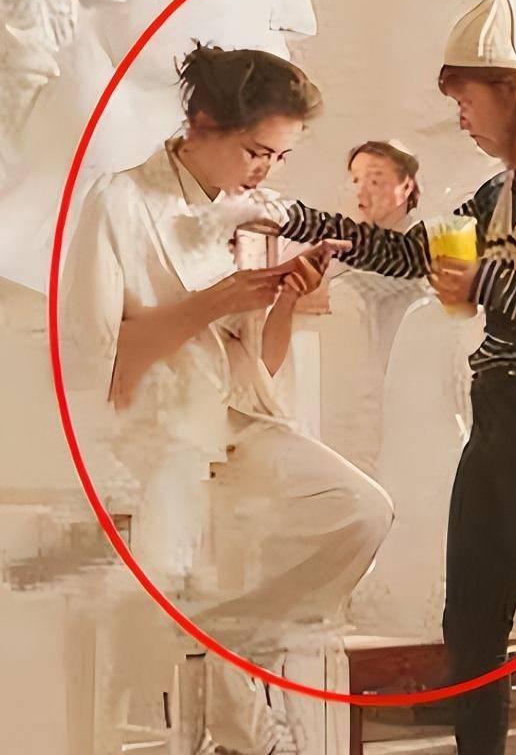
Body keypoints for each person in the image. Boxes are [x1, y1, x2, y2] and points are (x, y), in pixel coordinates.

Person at [251, 0, 516, 754]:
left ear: (515, 92)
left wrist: (488, 283)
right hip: (496, 429)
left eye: (468, 99)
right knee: (469, 630)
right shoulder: (501, 190)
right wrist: (295, 217)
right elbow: (411, 253)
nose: (460, 116)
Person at [60, 44, 394, 755]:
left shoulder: (247, 215)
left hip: (236, 423)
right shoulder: (119, 201)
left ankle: (215, 637)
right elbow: (97, 365)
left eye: (279, 156)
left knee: (362, 510)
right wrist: (214, 300)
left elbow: (257, 366)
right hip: (150, 433)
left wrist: (283, 300)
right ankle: (239, 709)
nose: (265, 170)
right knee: (207, 550)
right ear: (203, 122)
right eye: (255, 151)